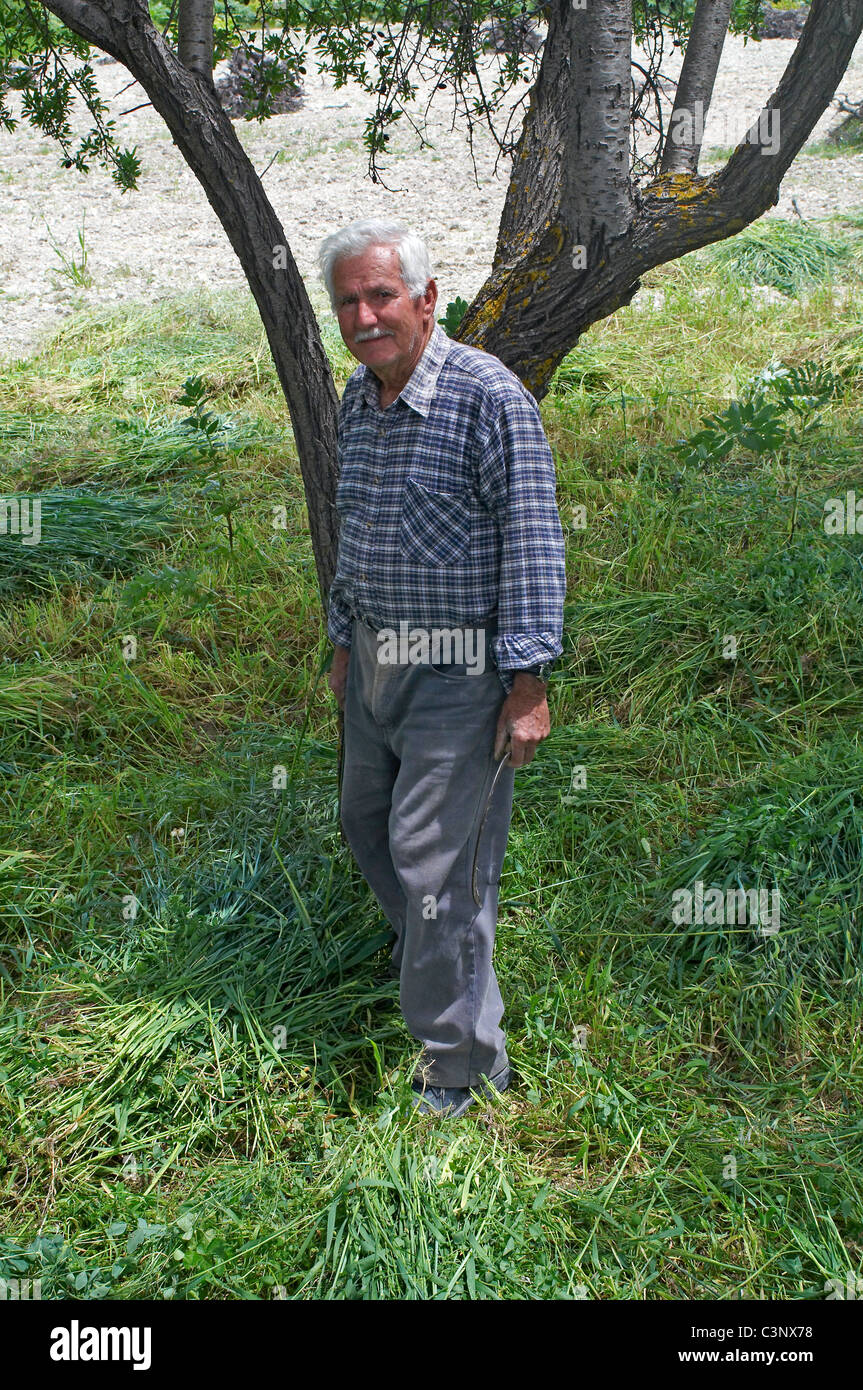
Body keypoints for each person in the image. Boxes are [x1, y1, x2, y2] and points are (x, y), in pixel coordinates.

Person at [318, 217, 566, 1117]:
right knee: (366, 825)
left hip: (459, 672)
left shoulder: (486, 398)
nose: (364, 315)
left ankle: (463, 1069)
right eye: (347, 301)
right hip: (378, 659)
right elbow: (356, 530)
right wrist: (346, 644)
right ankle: (448, 961)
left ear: (426, 300)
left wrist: (529, 684)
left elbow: (532, 542)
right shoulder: (359, 398)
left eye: (381, 295)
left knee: (433, 866)